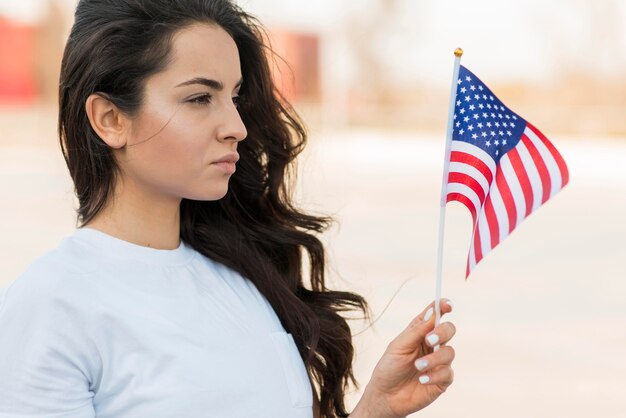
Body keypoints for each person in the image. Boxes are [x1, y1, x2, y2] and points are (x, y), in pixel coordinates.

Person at [0, 1, 456, 417]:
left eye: (234, 97)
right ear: (110, 119)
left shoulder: (244, 277)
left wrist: (376, 408)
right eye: (200, 98)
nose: (236, 126)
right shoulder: (51, 308)